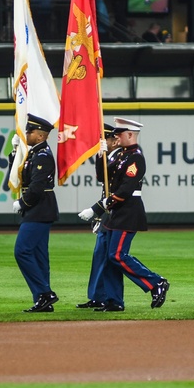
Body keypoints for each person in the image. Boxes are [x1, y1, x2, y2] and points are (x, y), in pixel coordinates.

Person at [78, 117, 170, 312]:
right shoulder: (121, 156)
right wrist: (101, 155)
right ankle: (114, 300)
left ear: (130, 135)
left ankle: (156, 282)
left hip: (128, 211)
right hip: (116, 213)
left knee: (117, 255)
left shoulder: (136, 157)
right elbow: (103, 178)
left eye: (119, 134)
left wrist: (96, 208)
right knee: (111, 257)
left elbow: (125, 191)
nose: (116, 137)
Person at [13, 114, 60, 313]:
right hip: (38, 208)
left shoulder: (43, 156)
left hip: (39, 208)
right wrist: (14, 152)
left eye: (30, 132)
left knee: (22, 250)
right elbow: (20, 174)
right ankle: (43, 300)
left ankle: (44, 293)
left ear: (40, 136)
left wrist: (23, 203)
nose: (27, 134)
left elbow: (37, 187)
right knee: (40, 256)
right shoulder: (33, 153)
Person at [76, 123, 124, 309]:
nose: (101, 143)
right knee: (99, 255)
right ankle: (97, 295)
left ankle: (108, 296)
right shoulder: (108, 156)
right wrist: (100, 157)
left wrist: (98, 212)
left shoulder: (120, 157)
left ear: (114, 140)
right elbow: (101, 178)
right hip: (106, 212)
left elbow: (110, 181)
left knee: (109, 256)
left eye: (104, 140)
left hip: (114, 211)